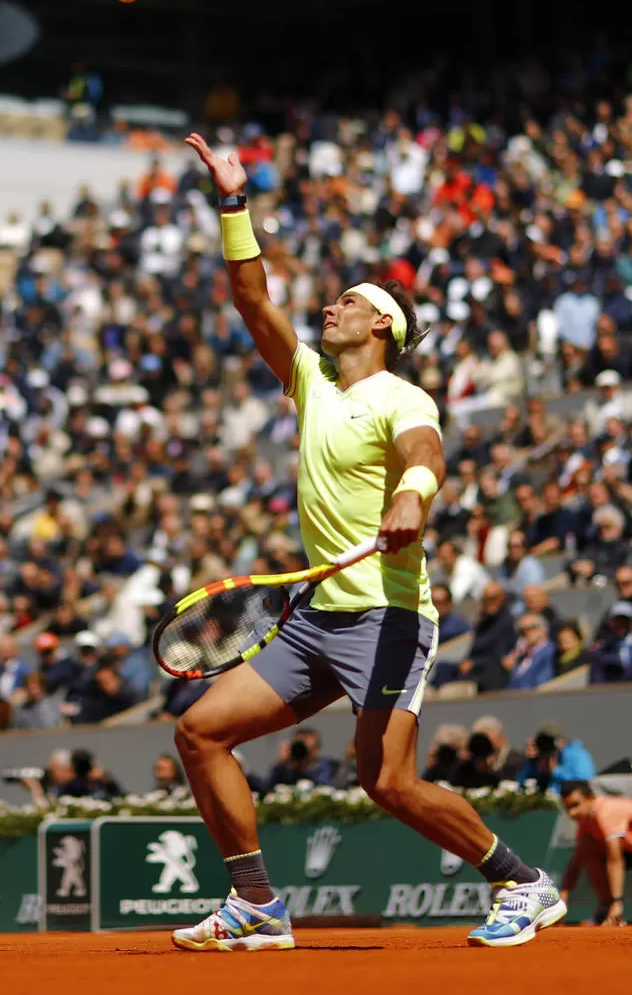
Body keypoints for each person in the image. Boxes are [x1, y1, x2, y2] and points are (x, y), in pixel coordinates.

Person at [170, 134, 566, 953]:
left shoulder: (403, 394)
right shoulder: (310, 380)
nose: (330, 307)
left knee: (388, 781)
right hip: (317, 618)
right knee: (199, 731)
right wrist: (234, 202)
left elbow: (427, 455)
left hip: (387, 617)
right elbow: (250, 298)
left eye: (348, 301)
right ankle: (256, 906)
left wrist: (414, 498)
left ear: (382, 322)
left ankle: (524, 883)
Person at [560, 781, 632, 927]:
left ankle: (613, 908)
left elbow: (615, 859)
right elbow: (576, 860)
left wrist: (617, 903)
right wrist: (562, 898)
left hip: (625, 851)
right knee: (586, 846)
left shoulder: (605, 812)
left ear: (591, 798)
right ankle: (605, 909)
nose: (571, 813)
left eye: (576, 805)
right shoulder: (586, 822)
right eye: (567, 808)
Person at [518, 722, 596, 793]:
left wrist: (555, 770)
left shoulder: (577, 755)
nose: (547, 746)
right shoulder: (541, 758)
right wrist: (532, 762)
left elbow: (584, 782)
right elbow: (523, 782)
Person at [263, 728, 337, 790]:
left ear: (316, 750)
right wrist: (280, 763)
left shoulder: (329, 768)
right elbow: (268, 790)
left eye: (306, 747)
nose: (301, 751)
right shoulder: (284, 771)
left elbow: (329, 789)